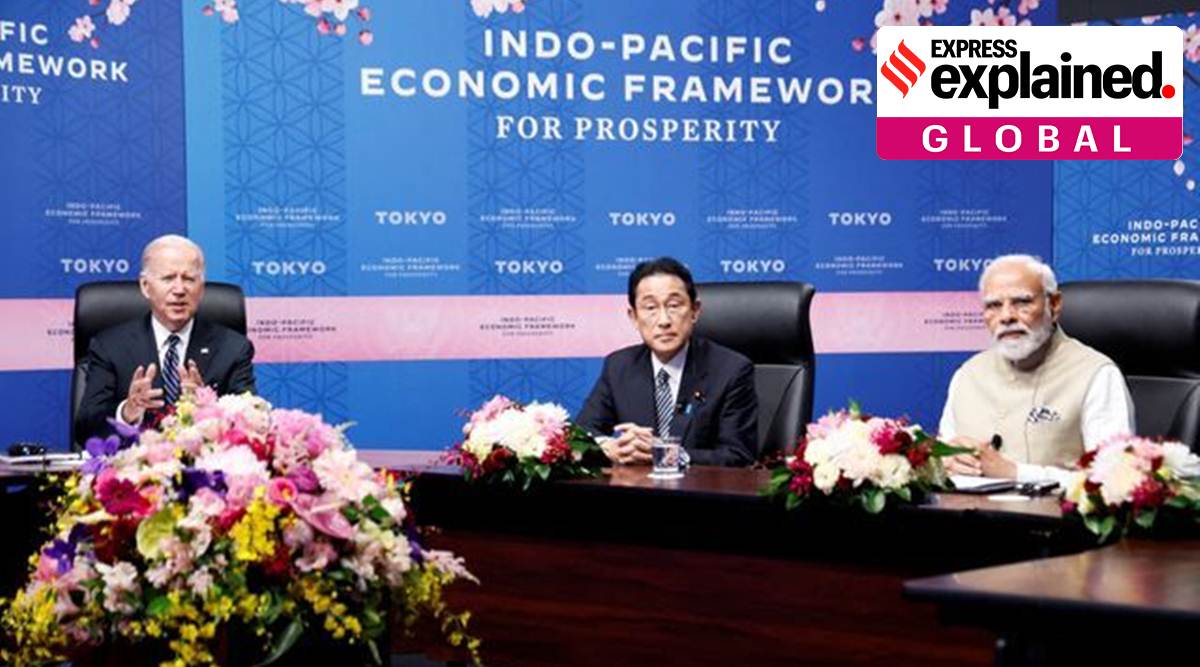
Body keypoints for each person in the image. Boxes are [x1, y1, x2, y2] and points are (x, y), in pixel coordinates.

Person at [939, 254, 1134, 485]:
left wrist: (1016, 473)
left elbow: (1115, 480)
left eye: (1022, 302)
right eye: (994, 305)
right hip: (966, 516)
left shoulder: (1096, 374)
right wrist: (945, 462)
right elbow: (943, 460)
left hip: (1052, 519)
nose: (1006, 316)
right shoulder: (967, 375)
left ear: (1054, 305)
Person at [576, 257, 758, 467]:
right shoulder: (618, 366)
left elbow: (738, 455)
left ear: (695, 311)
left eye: (674, 305)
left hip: (700, 495)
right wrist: (610, 447)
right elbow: (581, 435)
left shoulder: (731, 370)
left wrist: (666, 454)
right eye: (650, 307)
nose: (663, 320)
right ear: (633, 317)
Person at [75, 235, 256, 440]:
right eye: (168, 278)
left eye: (189, 279)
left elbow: (251, 425)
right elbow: (85, 428)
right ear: (145, 286)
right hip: (136, 467)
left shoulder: (233, 348)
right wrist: (127, 411)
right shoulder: (110, 346)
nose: (179, 290)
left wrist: (209, 409)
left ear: (201, 288)